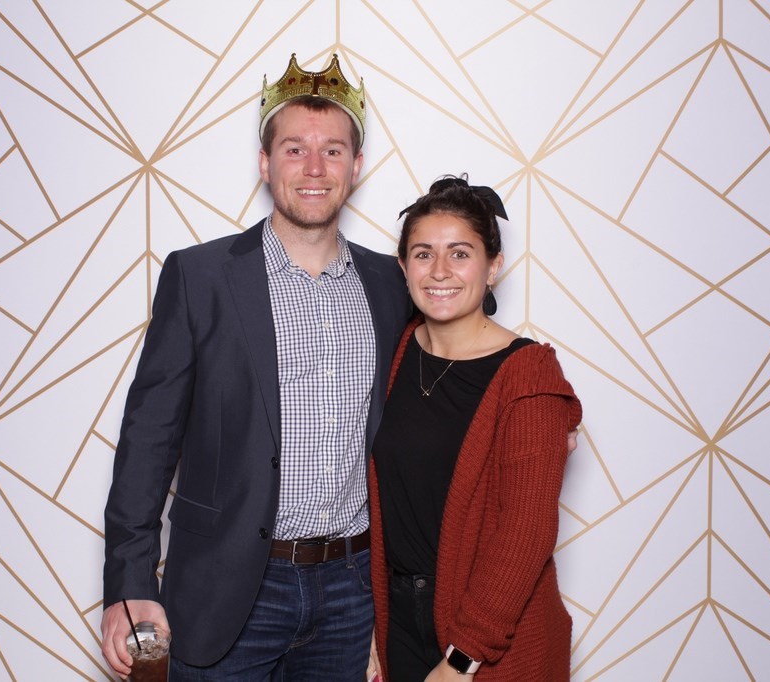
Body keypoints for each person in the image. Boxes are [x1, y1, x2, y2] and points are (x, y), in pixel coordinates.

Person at [99, 53, 410, 680]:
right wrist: (129, 582)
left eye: (332, 150)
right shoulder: (200, 277)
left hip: (351, 592)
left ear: (356, 165)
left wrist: (532, 408)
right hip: (228, 585)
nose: (315, 168)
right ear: (265, 163)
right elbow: (149, 438)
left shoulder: (391, 283)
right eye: (295, 150)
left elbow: (451, 363)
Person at [367, 177, 582, 681]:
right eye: (423, 254)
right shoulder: (398, 352)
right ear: (403, 267)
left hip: (488, 637)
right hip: (400, 621)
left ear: (493, 267)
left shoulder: (529, 375)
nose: (440, 271)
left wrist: (462, 657)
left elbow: (526, 533)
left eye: (460, 254)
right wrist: (375, 626)